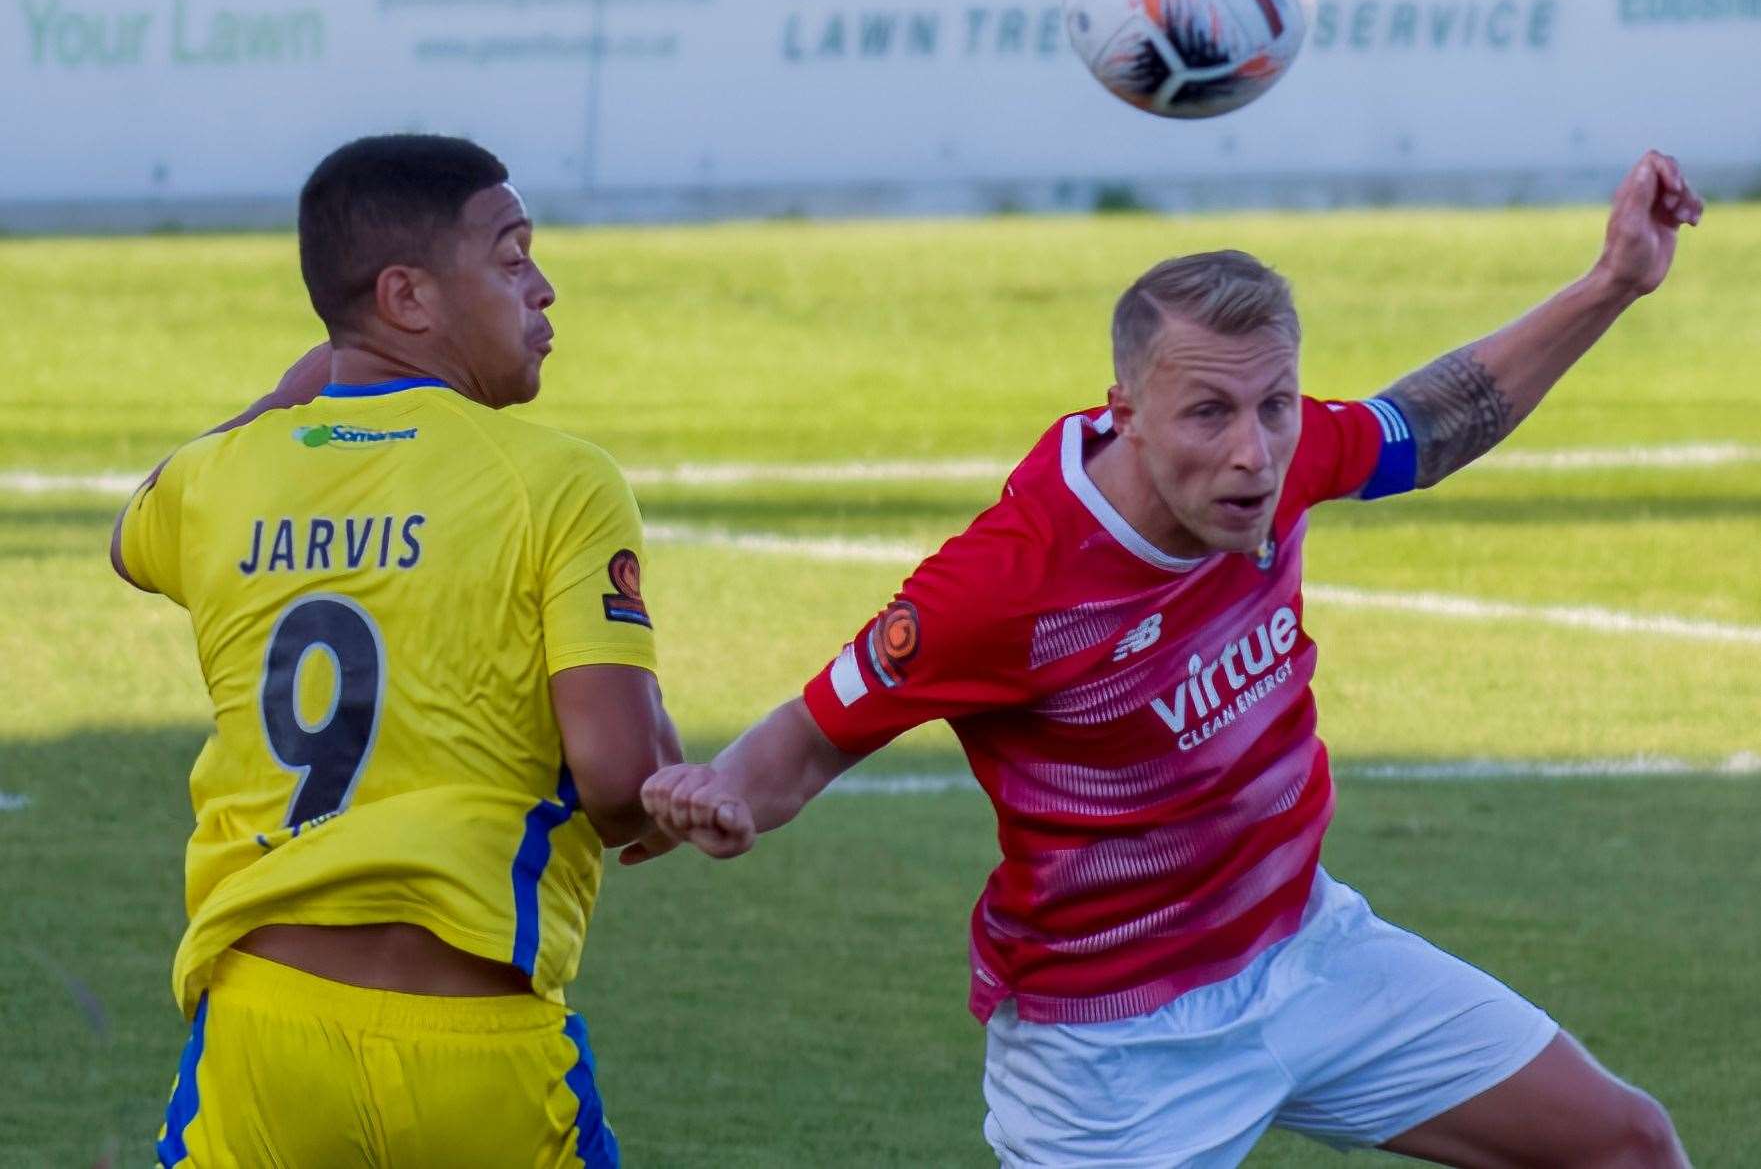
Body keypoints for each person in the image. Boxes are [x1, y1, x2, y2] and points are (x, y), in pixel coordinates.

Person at [633, 151, 1702, 1167]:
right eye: (1209, 413)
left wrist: (1613, 281)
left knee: (1627, 1146)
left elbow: (1432, 422)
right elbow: (811, 738)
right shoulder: (1008, 585)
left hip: (1309, 948)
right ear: (1125, 415)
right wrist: (723, 795)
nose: (1253, 450)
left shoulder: (1283, 457)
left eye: (1274, 404)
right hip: (1114, 1054)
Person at [111, 134, 679, 1167]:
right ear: (409, 297)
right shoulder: (558, 479)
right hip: (477, 1047)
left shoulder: (217, 481)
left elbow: (129, 531)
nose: (544, 290)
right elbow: (623, 786)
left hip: (262, 1035)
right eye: (511, 259)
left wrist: (299, 389)